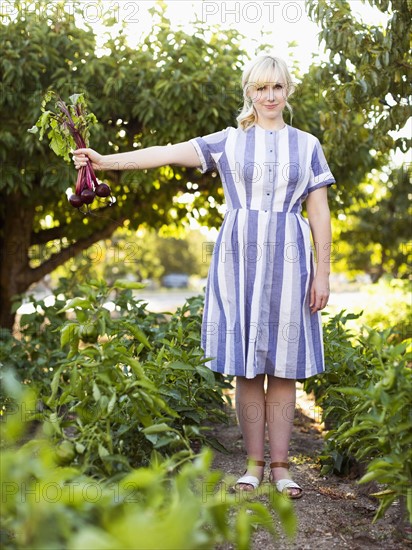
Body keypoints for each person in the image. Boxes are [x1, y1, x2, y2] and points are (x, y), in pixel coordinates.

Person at [73, 55, 335, 499]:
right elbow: (163, 154)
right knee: (247, 368)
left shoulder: (307, 145)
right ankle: (253, 467)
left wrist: (323, 273)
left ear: (288, 91)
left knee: (284, 368)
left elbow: (319, 211)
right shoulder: (228, 142)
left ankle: (283, 467)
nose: (269, 96)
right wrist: (104, 161)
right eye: (261, 88)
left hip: (291, 258)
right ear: (248, 92)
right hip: (237, 257)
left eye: (277, 87)